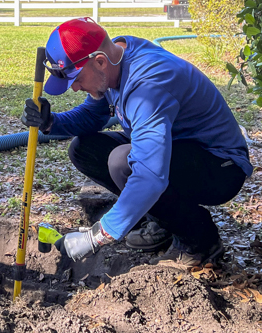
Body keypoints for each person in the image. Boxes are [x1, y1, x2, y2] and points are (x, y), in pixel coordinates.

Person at [21, 17, 252, 268]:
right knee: (84, 150)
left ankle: (199, 241)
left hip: (221, 166)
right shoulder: (114, 59)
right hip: (180, 150)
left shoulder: (147, 86)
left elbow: (150, 174)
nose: (75, 88)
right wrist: (50, 122)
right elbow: (92, 116)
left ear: (99, 61)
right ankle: (164, 221)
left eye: (75, 79)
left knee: (123, 162)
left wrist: (97, 235)